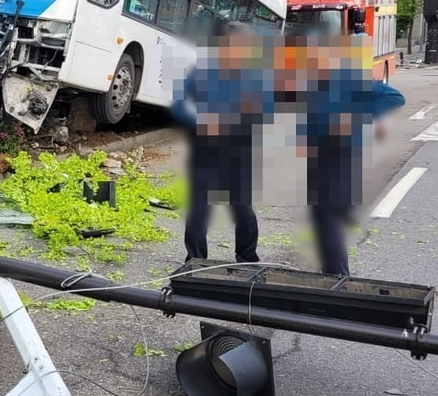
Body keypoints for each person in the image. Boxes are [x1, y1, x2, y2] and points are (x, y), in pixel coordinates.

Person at [294, 38, 405, 277]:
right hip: (331, 157)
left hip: (336, 157)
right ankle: (332, 273)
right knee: (324, 214)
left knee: (328, 215)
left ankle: (337, 277)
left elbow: (395, 97)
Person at [171, 24, 271, 265]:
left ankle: (247, 259)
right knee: (199, 208)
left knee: (242, 208)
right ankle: (195, 260)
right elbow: (179, 105)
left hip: (239, 151)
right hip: (205, 149)